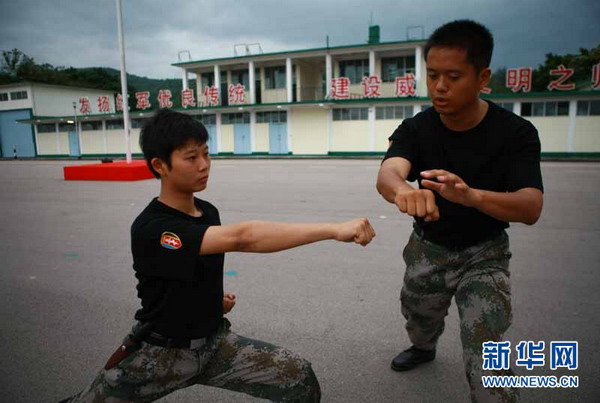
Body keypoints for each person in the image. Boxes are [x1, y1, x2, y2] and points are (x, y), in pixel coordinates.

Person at [62, 108, 375, 403]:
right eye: (191, 157)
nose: (204, 165)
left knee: (298, 376)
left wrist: (211, 301)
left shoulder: (208, 212)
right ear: (160, 165)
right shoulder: (152, 228)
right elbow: (243, 238)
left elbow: (189, 270)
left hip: (214, 345)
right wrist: (333, 229)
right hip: (161, 354)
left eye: (206, 153)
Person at [376, 20, 543, 402]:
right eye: (432, 75)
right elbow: (388, 173)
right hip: (428, 249)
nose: (439, 86)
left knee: (487, 349)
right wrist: (403, 191)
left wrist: (472, 197)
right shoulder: (417, 128)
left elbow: (531, 205)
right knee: (419, 315)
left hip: (484, 253)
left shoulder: (516, 133)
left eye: (453, 77)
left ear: (482, 77)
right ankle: (423, 347)